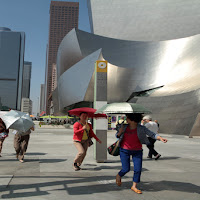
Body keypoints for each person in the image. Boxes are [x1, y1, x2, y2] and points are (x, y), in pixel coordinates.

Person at [116, 113, 167, 194]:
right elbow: (117, 136)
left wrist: (160, 138)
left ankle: (134, 186)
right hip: (124, 150)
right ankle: (119, 175)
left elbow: (152, 134)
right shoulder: (124, 127)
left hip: (137, 151)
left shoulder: (141, 128)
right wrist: (119, 132)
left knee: (138, 169)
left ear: (132, 120)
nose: (126, 119)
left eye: (127, 118)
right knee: (126, 169)